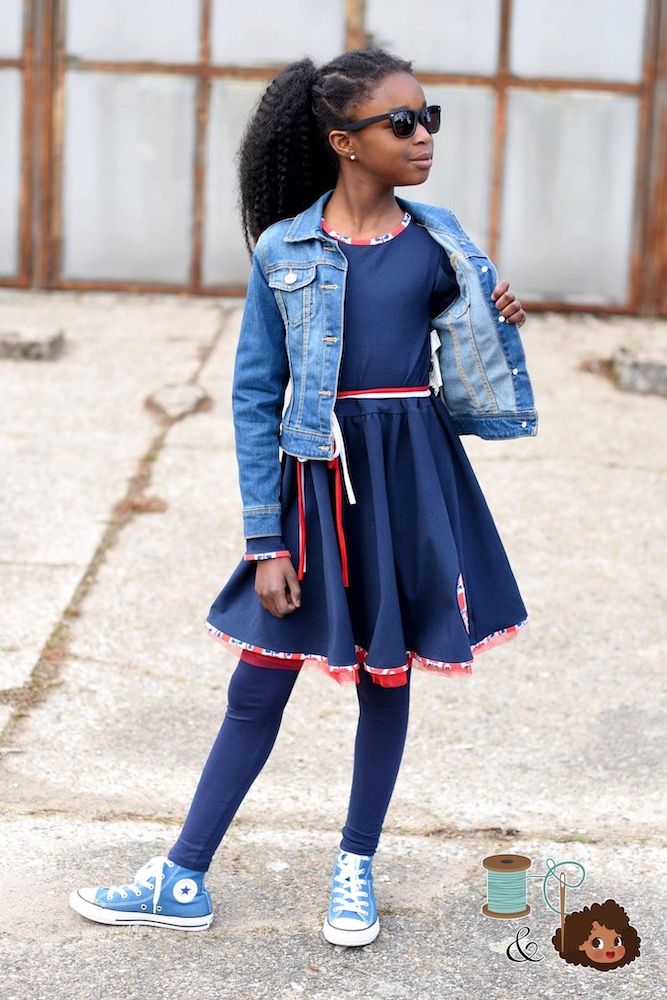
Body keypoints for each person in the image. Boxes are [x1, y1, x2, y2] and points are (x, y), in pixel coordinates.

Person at [69, 48, 536, 947]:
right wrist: (265, 540)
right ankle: (181, 876)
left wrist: (497, 316)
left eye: (429, 117)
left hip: (407, 482)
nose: (424, 136)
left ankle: (355, 867)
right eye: (401, 122)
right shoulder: (284, 248)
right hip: (312, 485)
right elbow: (255, 395)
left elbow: (473, 361)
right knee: (257, 682)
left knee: (387, 677)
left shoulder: (438, 239)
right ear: (343, 142)